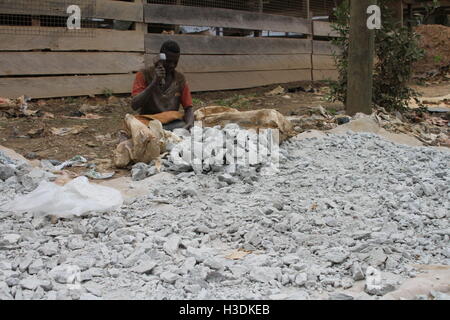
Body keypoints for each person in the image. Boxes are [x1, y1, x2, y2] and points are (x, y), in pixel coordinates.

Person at [131, 40, 195, 131]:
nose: (172, 65)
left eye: (175, 62)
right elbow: (134, 105)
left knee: (183, 126)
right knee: (136, 127)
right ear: (161, 59)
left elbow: (188, 108)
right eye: (168, 61)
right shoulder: (144, 74)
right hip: (149, 122)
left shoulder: (180, 79)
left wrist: (189, 124)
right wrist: (154, 82)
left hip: (171, 122)